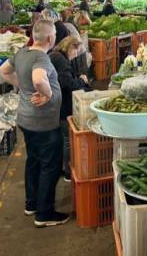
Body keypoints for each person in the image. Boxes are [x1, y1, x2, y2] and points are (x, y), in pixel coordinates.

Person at [0, 20, 68, 227]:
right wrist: (46, 94)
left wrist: (22, 86)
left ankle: (31, 204)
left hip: (26, 120)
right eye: (54, 33)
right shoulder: (41, 58)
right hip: (43, 123)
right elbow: (38, 80)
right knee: (50, 166)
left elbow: (4, 71)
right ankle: (44, 213)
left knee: (34, 161)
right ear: (50, 38)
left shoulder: (22, 53)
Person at [48, 36, 89, 182]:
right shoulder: (61, 59)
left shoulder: (54, 55)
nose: (74, 57)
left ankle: (59, 168)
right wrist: (81, 80)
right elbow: (66, 82)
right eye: (75, 53)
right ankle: (67, 172)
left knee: (59, 138)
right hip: (62, 105)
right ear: (71, 47)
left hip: (53, 104)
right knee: (66, 139)